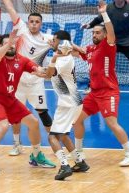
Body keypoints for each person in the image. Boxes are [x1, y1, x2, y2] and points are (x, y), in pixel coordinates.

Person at [0, 30, 56, 174]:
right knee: (3, 126)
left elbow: (39, 71)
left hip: (9, 99)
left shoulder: (21, 60)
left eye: (12, 44)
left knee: (34, 122)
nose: (10, 46)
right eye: (6, 44)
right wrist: (8, 44)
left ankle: (37, 156)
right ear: (1, 46)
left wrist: (53, 66)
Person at [73, 1, 129, 167]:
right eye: (93, 33)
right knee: (77, 121)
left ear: (104, 35)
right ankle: (78, 153)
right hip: (94, 93)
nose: (94, 35)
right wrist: (62, 44)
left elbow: (110, 31)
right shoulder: (91, 50)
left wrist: (103, 13)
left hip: (108, 92)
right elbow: (77, 51)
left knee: (111, 123)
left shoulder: (108, 46)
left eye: (97, 33)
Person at [3, 0, 53, 156]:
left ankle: (55, 143)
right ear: (28, 22)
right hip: (17, 83)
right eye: (31, 21)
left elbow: (66, 47)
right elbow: (10, 8)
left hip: (35, 82)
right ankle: (17, 144)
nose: (33, 24)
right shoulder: (22, 30)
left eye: (37, 22)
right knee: (15, 115)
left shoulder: (47, 39)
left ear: (41, 24)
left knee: (43, 113)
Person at [43, 30, 90, 180]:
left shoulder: (62, 60)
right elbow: (48, 73)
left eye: (55, 40)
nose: (53, 42)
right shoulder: (66, 57)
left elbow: (49, 74)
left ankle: (64, 166)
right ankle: (80, 162)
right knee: (62, 135)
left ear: (62, 43)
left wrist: (54, 57)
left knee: (53, 137)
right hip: (74, 101)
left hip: (68, 102)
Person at [82, 0, 129, 100]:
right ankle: (91, 85)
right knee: (98, 63)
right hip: (111, 40)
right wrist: (89, 25)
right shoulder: (108, 8)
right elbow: (98, 19)